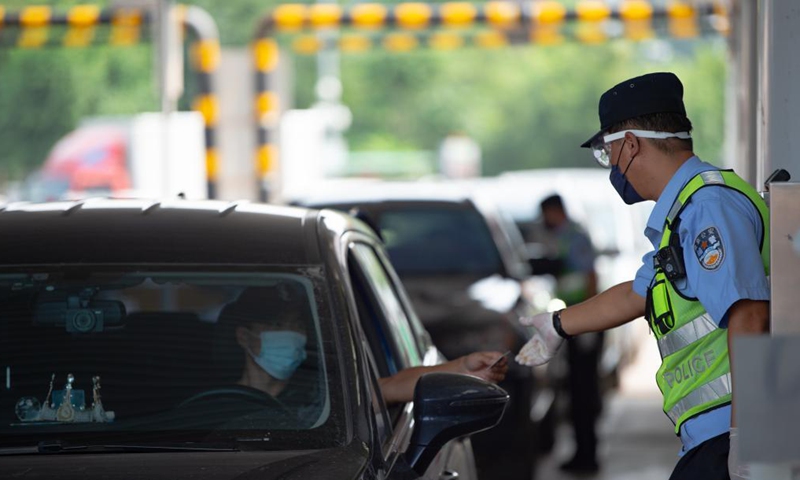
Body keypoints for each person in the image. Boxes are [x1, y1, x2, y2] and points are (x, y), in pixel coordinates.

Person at [515, 72, 769, 480]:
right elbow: (637, 294)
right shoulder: (685, 213)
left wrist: (748, 437)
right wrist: (558, 326)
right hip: (712, 434)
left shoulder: (708, 208)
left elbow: (749, 317)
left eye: (607, 152)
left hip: (729, 433)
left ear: (631, 143)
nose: (612, 165)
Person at [222, 285, 509, 411]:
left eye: (297, 326)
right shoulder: (210, 408)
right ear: (245, 337)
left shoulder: (326, 400)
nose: (293, 335)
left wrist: (463, 368)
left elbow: (393, 385)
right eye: (277, 325)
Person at [539, 193, 603, 473]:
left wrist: (589, 322)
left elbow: (590, 277)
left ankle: (587, 457)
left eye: (546, 215)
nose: (544, 221)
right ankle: (582, 453)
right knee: (577, 392)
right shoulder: (565, 236)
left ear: (554, 211)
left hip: (582, 323)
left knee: (583, 393)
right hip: (575, 322)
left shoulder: (574, 236)